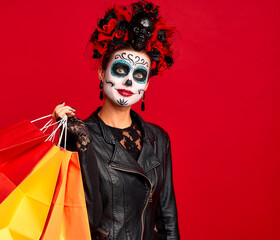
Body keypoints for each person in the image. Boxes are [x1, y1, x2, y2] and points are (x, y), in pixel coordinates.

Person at [52, 1, 180, 239]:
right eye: (121, 69)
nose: (129, 82)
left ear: (147, 84)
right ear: (102, 73)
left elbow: (167, 217)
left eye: (140, 75)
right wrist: (77, 139)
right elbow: (78, 219)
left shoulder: (158, 139)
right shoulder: (79, 135)